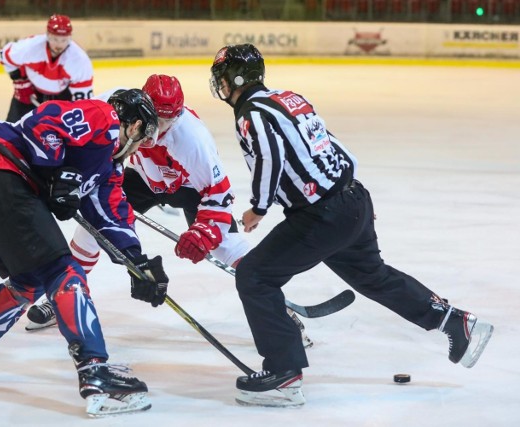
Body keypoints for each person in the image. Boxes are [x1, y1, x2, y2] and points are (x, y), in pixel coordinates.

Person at [208, 43, 494, 407]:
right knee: (372, 276)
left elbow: (269, 156)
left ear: (234, 79)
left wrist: (259, 208)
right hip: (351, 199)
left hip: (321, 215)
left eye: (221, 78)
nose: (220, 86)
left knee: (255, 276)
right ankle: (456, 323)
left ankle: (283, 374)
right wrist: (353, 195)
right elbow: (332, 144)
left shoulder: (250, 112)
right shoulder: (289, 98)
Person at [24, 74, 313, 348]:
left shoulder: (192, 139)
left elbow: (219, 196)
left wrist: (205, 232)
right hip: (139, 177)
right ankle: (64, 295)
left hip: (187, 188)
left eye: (168, 121)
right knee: (93, 227)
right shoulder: (120, 103)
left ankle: (280, 312)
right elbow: (83, 131)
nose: (159, 128)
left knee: (225, 245)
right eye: (156, 119)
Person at [0, 89, 168, 417]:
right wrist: (60, 172)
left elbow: (111, 213)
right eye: (145, 135)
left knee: (29, 280)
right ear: (136, 124)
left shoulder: (107, 169)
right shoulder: (104, 117)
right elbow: (46, 120)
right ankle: (96, 374)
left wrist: (136, 261)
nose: (142, 145)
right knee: (63, 272)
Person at [0, 14, 94, 122]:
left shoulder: (79, 59)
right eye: (55, 39)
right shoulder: (31, 46)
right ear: (48, 35)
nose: (59, 45)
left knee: (63, 135)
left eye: (63, 40)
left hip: (62, 98)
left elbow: (83, 100)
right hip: (29, 92)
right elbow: (5, 55)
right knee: (12, 132)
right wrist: (20, 82)